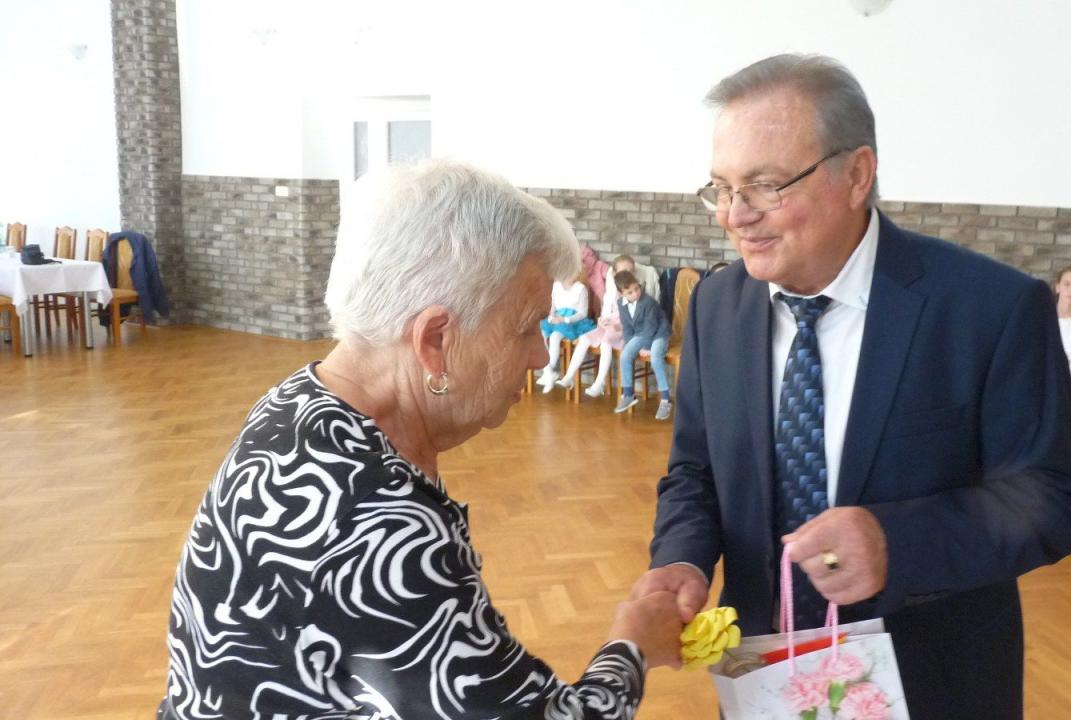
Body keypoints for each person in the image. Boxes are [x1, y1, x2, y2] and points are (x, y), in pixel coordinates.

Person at [630, 54, 1071, 719]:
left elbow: (1052, 499)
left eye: (765, 185)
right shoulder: (716, 305)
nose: (735, 216)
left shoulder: (989, 307)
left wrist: (895, 542)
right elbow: (695, 470)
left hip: (932, 679)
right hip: (766, 676)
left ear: (856, 175)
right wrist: (683, 559)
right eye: (722, 188)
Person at [159, 160, 681, 720]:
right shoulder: (380, 521)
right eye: (525, 327)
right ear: (434, 340)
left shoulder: (298, 399)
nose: (539, 355)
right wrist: (633, 646)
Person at [558, 257, 626, 397]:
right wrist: (601, 320)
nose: (626, 274)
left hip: (620, 329)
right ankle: (569, 376)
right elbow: (606, 310)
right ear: (614, 273)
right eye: (623, 271)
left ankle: (599, 383)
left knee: (606, 343)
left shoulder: (630, 292)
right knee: (585, 338)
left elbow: (631, 318)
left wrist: (616, 326)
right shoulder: (611, 289)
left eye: (630, 271)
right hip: (606, 326)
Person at [613, 270, 672, 420]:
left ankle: (665, 399)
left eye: (637, 288)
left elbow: (651, 327)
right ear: (621, 294)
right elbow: (627, 327)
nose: (635, 293)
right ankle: (628, 394)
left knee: (656, 357)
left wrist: (646, 347)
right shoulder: (621, 304)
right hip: (640, 333)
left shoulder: (648, 302)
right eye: (630, 292)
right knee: (625, 356)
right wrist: (630, 345)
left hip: (659, 332)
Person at [537, 274, 596, 392]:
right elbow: (552, 307)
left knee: (554, 337)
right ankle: (548, 372)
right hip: (557, 318)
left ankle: (550, 371)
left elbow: (582, 314)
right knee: (540, 333)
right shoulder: (556, 286)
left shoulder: (581, 289)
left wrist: (565, 319)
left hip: (573, 322)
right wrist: (551, 317)